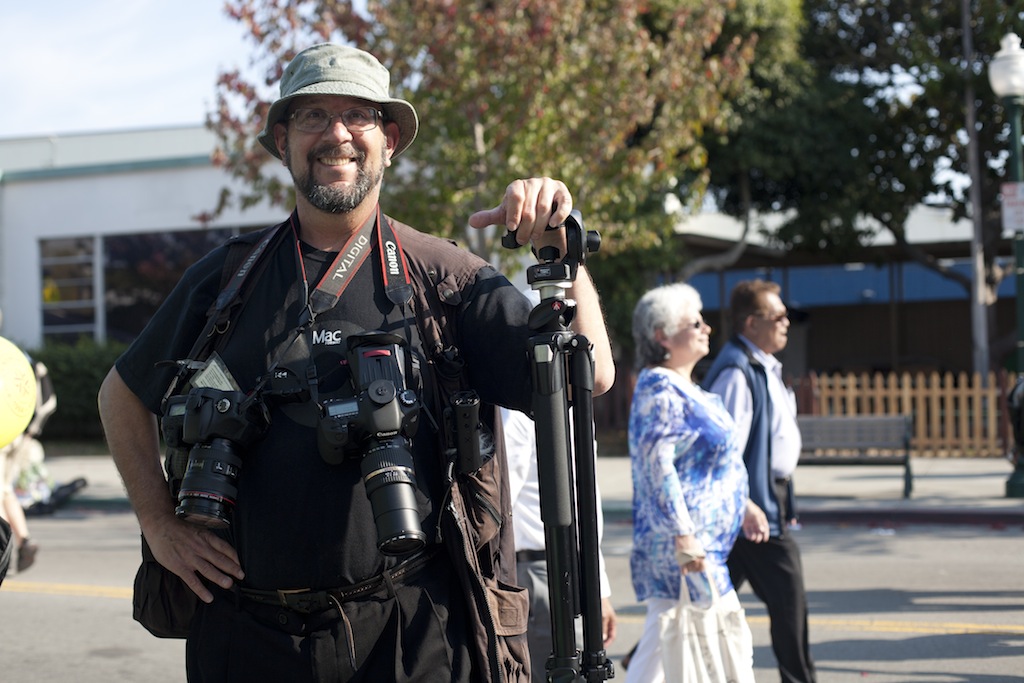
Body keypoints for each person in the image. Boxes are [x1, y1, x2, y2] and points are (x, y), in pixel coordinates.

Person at [97, 43, 613, 682]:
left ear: (388, 139)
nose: (335, 134)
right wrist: (158, 522)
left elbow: (584, 378)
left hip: (408, 635)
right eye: (312, 116)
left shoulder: (445, 278)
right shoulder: (226, 279)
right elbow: (120, 393)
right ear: (283, 141)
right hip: (242, 635)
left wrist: (564, 256)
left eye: (358, 116)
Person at [624, 282, 751, 682]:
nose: (706, 328)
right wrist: (683, 536)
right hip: (683, 546)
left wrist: (745, 505)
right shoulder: (659, 390)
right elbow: (656, 467)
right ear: (662, 335)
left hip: (700, 543)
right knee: (690, 637)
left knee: (662, 645)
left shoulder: (685, 388)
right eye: (694, 322)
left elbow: (712, 462)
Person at [703, 279, 817, 683]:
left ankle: (644, 659)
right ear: (751, 323)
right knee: (790, 600)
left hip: (766, 497)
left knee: (705, 595)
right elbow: (723, 448)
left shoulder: (760, 365)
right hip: (752, 503)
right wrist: (745, 504)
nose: (787, 322)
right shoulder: (737, 371)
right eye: (778, 316)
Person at [500, 405, 617, 679]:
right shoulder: (518, 410)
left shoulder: (576, 404)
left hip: (570, 566)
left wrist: (600, 588)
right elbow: (501, 507)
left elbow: (586, 506)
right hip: (536, 570)